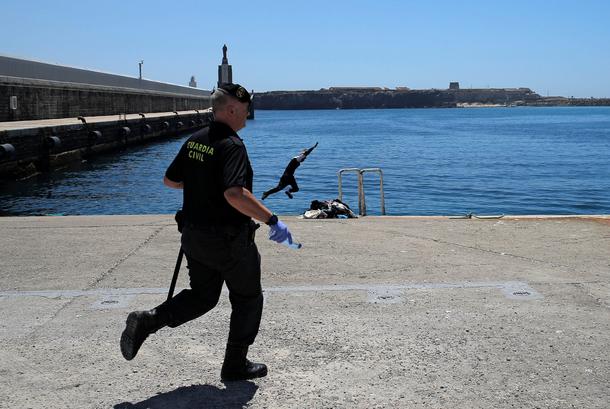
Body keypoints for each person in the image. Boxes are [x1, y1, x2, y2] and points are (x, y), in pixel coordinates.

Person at [119, 83, 294, 381]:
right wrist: (272, 220)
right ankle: (235, 364)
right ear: (231, 109)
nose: (247, 115)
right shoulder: (232, 145)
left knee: (203, 296)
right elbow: (235, 195)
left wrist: (205, 184)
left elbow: (170, 181)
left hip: (194, 236)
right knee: (248, 297)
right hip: (227, 240)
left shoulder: (195, 140)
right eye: (245, 110)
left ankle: (149, 321)